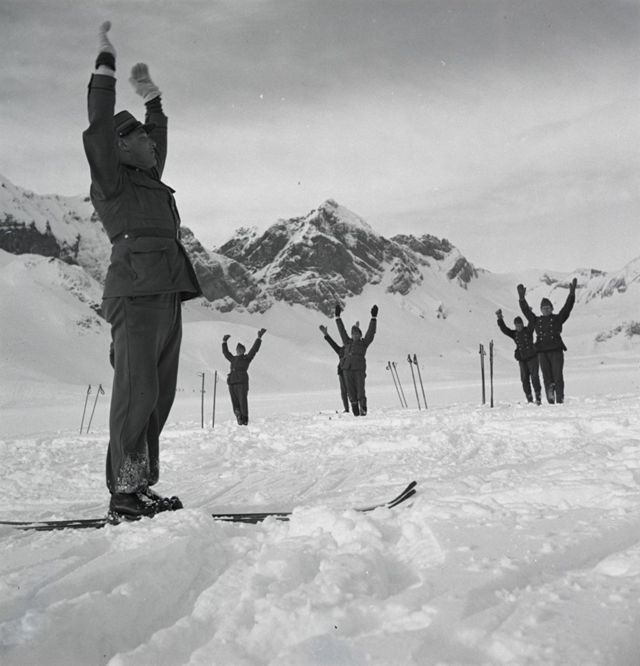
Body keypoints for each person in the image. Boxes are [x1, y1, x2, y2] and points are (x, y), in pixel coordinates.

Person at [82, 23, 201, 519]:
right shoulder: (112, 181)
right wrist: (105, 70)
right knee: (138, 393)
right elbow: (98, 127)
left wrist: (153, 99)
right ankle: (123, 494)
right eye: (142, 138)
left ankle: (141, 485)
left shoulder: (148, 177)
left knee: (159, 396)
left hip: (167, 291)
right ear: (121, 145)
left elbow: (159, 136)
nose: (153, 144)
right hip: (134, 294)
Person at [517, 278, 577, 404]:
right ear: (541, 310)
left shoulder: (557, 319)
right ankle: (550, 400)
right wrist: (522, 299)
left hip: (556, 351)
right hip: (542, 352)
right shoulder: (536, 321)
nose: (546, 310)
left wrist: (571, 294)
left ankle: (559, 399)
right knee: (547, 378)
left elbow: (567, 308)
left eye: (548, 307)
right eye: (544, 308)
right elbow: (526, 312)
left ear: (552, 308)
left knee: (557, 376)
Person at [334, 303, 378, 416]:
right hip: (347, 369)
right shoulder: (347, 342)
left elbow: (371, 333)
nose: (355, 335)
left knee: (360, 390)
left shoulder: (363, 343)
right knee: (350, 392)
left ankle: (363, 408)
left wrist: (373, 318)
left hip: (359, 370)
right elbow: (342, 331)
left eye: (357, 333)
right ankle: (355, 410)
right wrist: (337, 317)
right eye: (353, 334)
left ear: (360, 335)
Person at [496, 309, 541, 404]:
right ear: (515, 326)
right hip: (522, 359)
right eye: (517, 325)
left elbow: (532, 321)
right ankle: (529, 398)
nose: (518, 327)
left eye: (520, 325)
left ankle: (538, 397)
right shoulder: (515, 334)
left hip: (532, 358)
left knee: (534, 378)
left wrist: (528, 311)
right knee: (524, 379)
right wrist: (500, 318)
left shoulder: (528, 331)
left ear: (522, 324)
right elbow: (505, 329)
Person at [222, 329, 266, 425]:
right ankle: (238, 416)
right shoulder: (233, 359)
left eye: (240, 349)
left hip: (242, 383)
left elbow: (254, 350)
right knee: (235, 402)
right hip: (232, 383)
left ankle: (244, 418)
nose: (238, 350)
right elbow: (226, 353)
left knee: (242, 401)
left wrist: (259, 338)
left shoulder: (246, 358)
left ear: (243, 351)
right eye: (237, 349)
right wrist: (224, 342)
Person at [319, 325, 349, 412]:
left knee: (352, 391)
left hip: (350, 372)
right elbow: (333, 344)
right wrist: (326, 334)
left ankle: (357, 408)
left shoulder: (352, 349)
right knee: (344, 392)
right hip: (342, 372)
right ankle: (346, 409)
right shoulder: (341, 350)